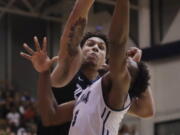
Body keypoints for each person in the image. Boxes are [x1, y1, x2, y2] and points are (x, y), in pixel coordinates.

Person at [20, 0, 154, 134]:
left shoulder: (110, 90)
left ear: (108, 62)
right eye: (90, 44)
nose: (95, 48)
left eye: (101, 48)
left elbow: (147, 110)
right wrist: (44, 72)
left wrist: (136, 68)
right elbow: (51, 115)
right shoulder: (71, 74)